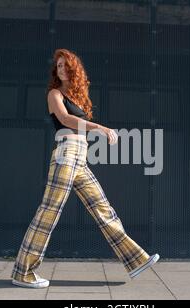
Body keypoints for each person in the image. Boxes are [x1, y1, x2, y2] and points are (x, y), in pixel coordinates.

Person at [11, 48, 159, 289]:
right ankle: (23, 272)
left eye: (64, 65)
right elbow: (66, 120)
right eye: (57, 66)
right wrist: (99, 127)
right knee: (50, 211)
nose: (60, 69)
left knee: (102, 208)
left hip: (80, 157)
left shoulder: (78, 97)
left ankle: (135, 259)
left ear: (73, 69)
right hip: (66, 154)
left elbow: (76, 119)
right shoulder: (54, 94)